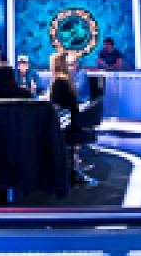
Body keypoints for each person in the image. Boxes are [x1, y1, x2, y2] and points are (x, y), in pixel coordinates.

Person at [50, 53, 96, 187]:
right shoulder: (65, 79)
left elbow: (57, 105)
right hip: (73, 121)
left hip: (69, 123)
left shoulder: (60, 81)